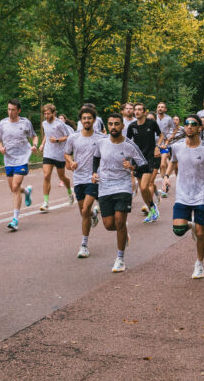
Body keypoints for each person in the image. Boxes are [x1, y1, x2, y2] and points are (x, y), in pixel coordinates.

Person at [92, 113, 149, 273]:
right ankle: (123, 231)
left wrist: (133, 168)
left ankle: (120, 258)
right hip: (104, 186)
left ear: (122, 126)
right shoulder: (101, 142)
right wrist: (94, 173)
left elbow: (144, 164)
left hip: (123, 186)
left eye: (117, 124)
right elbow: (96, 158)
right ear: (107, 126)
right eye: (110, 124)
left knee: (119, 220)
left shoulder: (129, 145)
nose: (113, 127)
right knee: (109, 225)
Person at [169, 116, 204, 279]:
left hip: (200, 196)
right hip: (182, 195)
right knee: (178, 230)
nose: (189, 127)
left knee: (200, 234)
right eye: (187, 124)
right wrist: (165, 176)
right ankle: (189, 225)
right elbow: (172, 161)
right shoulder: (177, 147)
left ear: (200, 128)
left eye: (193, 124)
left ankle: (199, 263)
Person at [64, 106, 104, 258]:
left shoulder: (100, 138)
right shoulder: (73, 137)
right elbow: (67, 154)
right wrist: (71, 162)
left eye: (89, 118)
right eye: (84, 118)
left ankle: (84, 245)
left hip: (94, 177)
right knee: (84, 213)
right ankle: (93, 217)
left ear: (94, 120)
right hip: (79, 178)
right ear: (81, 120)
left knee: (86, 208)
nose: (87, 120)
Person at [0, 99, 38, 231]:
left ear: (19, 110)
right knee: (14, 189)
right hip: (9, 159)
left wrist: (35, 145)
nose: (10, 112)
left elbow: (34, 136)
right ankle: (27, 191)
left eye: (13, 110)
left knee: (15, 186)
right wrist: (0, 148)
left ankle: (15, 220)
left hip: (22, 157)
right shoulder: (2, 123)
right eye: (9, 109)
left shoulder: (25, 123)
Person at [126, 103, 164, 223]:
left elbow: (161, 135)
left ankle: (152, 208)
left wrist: (158, 147)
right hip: (137, 160)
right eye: (135, 110)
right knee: (142, 190)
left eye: (139, 110)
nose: (136, 112)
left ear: (144, 112)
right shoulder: (132, 126)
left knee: (144, 186)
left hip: (149, 158)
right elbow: (127, 141)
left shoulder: (151, 123)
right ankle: (152, 208)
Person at [38, 103, 74, 211]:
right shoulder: (44, 123)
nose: (46, 115)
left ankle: (69, 191)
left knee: (62, 177)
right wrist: (42, 144)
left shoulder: (59, 124)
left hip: (59, 154)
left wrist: (57, 140)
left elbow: (68, 136)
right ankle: (45, 202)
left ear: (54, 113)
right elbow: (47, 134)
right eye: (45, 113)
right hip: (48, 152)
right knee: (46, 175)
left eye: (48, 113)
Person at [155, 101, 176, 196]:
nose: (160, 108)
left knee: (163, 164)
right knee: (158, 165)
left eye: (162, 107)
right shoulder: (153, 118)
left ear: (165, 109)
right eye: (159, 107)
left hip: (164, 144)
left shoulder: (168, 119)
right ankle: (165, 181)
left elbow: (173, 131)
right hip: (154, 144)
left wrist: (168, 141)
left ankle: (164, 187)